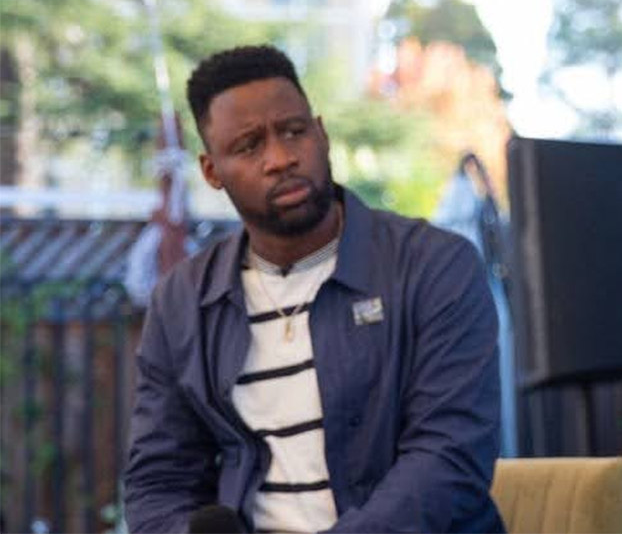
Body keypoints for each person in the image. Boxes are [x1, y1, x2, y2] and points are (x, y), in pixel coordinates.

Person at [123, 45, 505, 533]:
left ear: (321, 133)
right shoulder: (183, 302)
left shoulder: (433, 267)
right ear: (212, 172)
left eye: (293, 131)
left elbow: (448, 459)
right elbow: (159, 481)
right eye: (249, 146)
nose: (280, 158)